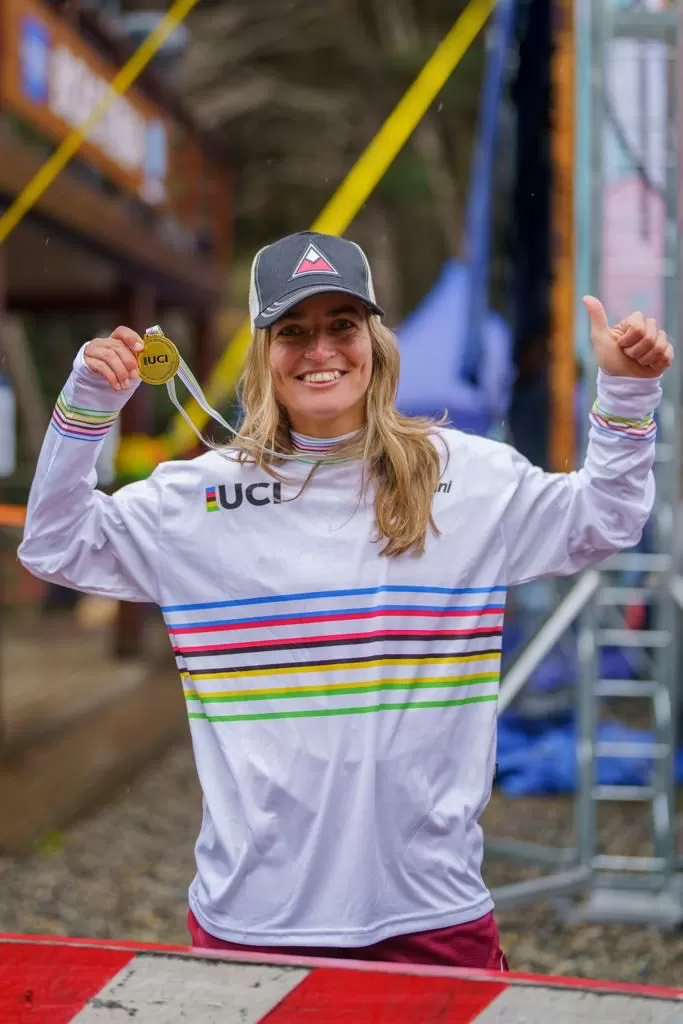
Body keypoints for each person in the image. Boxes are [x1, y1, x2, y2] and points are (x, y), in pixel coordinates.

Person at [18, 231, 673, 969]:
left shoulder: (468, 475)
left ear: (375, 342)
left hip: (432, 908)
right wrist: (85, 408)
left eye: (341, 326)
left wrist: (624, 392)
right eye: (293, 331)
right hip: (255, 917)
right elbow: (55, 545)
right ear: (263, 355)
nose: (319, 350)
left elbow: (602, 522)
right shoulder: (194, 498)